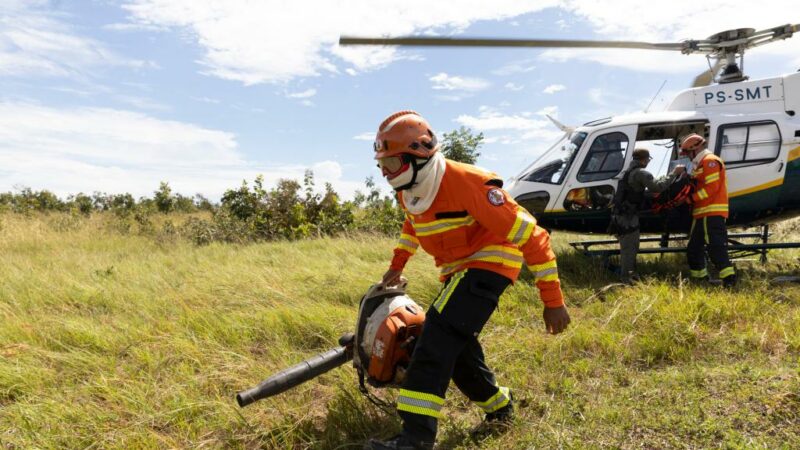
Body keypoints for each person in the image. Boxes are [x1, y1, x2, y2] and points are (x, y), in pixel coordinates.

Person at [365, 111, 571, 450]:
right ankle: (500, 408)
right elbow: (412, 226)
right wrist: (398, 264)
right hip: (457, 272)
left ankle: (415, 439)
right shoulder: (410, 191)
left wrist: (553, 302)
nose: (384, 173)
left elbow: (534, 237)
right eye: (381, 164)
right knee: (458, 351)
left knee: (434, 339)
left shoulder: (468, 183)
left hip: (491, 265)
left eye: (389, 164)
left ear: (417, 156)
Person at [611, 148, 685, 283]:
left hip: (621, 216)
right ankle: (626, 279)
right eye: (648, 160)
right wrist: (674, 173)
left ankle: (630, 275)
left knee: (629, 246)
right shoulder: (640, 173)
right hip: (627, 217)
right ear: (644, 160)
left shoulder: (628, 172)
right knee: (630, 248)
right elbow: (657, 187)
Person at [679, 133, 737, 287]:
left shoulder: (710, 161)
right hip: (701, 213)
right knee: (694, 248)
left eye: (687, 153)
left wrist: (690, 199)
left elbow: (711, 189)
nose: (687, 157)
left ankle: (729, 279)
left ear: (694, 149)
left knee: (715, 247)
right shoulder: (700, 164)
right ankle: (700, 279)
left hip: (710, 212)